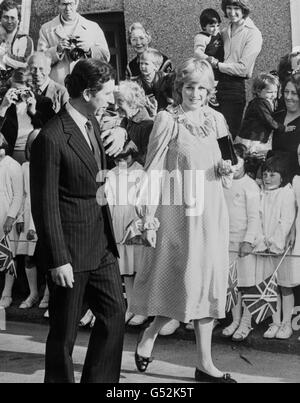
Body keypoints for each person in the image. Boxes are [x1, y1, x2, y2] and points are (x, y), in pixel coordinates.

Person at [130, 58, 237, 383]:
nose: (195, 93)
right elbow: (153, 168)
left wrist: (229, 169)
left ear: (209, 91)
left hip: (212, 214)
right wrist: (146, 214)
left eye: (202, 88)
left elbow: (233, 161)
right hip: (180, 216)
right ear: (180, 88)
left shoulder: (217, 120)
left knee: (207, 287)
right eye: (189, 87)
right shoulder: (167, 119)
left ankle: (205, 364)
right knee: (184, 285)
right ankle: (150, 333)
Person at [30, 59, 126, 383]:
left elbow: (92, 167)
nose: (111, 100)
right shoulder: (51, 137)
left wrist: (123, 133)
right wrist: (58, 260)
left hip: (101, 246)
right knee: (63, 336)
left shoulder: (92, 122)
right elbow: (45, 206)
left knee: (114, 316)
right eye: (106, 94)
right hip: (70, 252)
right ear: (87, 93)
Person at [251, 156, 296, 340]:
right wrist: (262, 241)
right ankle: (275, 322)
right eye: (266, 174)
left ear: (282, 176)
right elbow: (257, 218)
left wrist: (275, 242)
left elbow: (285, 220)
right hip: (264, 247)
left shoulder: (286, 193)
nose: (268, 178)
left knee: (285, 286)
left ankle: (287, 324)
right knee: (270, 287)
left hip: (281, 247)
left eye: (273, 174)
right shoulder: (261, 192)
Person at [222, 144, 260, 341]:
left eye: (237, 160)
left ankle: (247, 322)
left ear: (244, 161)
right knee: (231, 285)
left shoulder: (250, 186)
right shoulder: (222, 183)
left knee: (246, 285)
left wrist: (248, 241)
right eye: (229, 161)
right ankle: (235, 320)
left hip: (243, 245)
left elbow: (254, 217)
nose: (233, 165)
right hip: (224, 242)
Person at [105, 149, 146, 326]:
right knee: (126, 269)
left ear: (133, 155)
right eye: (117, 159)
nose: (121, 162)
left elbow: (145, 200)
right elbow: (109, 201)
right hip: (118, 224)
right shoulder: (111, 174)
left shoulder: (141, 172)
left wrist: (138, 224)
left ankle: (142, 309)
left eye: (125, 157)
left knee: (139, 268)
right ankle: (130, 306)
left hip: (136, 223)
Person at [213, 0, 262, 138]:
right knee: (212, 133)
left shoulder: (253, 34)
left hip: (234, 88)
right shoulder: (223, 31)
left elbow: (244, 69)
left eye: (236, 8)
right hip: (215, 86)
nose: (232, 12)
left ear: (244, 9)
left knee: (227, 135)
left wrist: (217, 65)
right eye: (229, 8)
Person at [37, 0, 110, 86]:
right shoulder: (46, 29)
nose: (68, 8)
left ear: (76, 3)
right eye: (64, 4)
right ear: (58, 4)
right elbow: (39, 61)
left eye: (70, 4)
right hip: (58, 87)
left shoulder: (92, 27)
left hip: (85, 85)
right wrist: (57, 50)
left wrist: (89, 50)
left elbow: (106, 57)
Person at [16, 130, 49, 309]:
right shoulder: (25, 167)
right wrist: (20, 216)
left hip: (44, 214)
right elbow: (22, 194)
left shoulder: (50, 164)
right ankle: (33, 293)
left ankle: (48, 294)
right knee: (29, 258)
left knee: (47, 257)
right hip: (28, 214)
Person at [0, 68, 55, 164]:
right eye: (15, 90)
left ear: (30, 88)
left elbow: (52, 130)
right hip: (7, 152)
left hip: (34, 152)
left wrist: (34, 112)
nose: (19, 95)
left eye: (22, 91)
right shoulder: (3, 100)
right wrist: (3, 108)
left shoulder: (43, 102)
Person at [236, 73, 295, 157]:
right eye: (270, 92)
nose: (273, 95)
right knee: (251, 156)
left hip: (258, 136)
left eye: (275, 92)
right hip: (252, 138)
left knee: (255, 157)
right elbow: (268, 119)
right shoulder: (259, 103)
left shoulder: (269, 101)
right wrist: (282, 128)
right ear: (258, 91)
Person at [0, 134, 23, 309]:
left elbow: (18, 194)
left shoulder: (13, 165)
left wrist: (11, 217)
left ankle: (7, 294)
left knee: (8, 255)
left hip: (6, 217)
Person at [114, 80, 154, 166]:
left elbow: (147, 159)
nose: (115, 107)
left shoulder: (147, 126)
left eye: (120, 102)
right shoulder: (127, 120)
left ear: (133, 103)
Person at [194, 8, 224, 107]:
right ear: (204, 26)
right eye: (211, 26)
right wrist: (207, 58)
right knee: (210, 79)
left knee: (217, 79)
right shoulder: (202, 37)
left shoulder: (218, 34)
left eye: (217, 25)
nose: (215, 29)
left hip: (217, 64)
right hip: (207, 65)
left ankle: (213, 92)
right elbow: (198, 52)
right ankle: (210, 95)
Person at [272, 72, 300, 178]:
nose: (288, 97)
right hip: (271, 176)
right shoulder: (274, 118)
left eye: (294, 93)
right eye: (286, 92)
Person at [135, 48, 173, 115]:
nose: (143, 66)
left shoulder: (165, 78)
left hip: (164, 112)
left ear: (156, 67)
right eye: (141, 63)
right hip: (146, 115)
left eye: (146, 64)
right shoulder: (136, 82)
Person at [0, 0, 33, 71]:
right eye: (6, 17)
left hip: (16, 81)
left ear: (18, 20)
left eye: (12, 18)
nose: (9, 21)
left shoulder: (26, 40)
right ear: (0, 18)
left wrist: (4, 57)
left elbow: (25, 63)